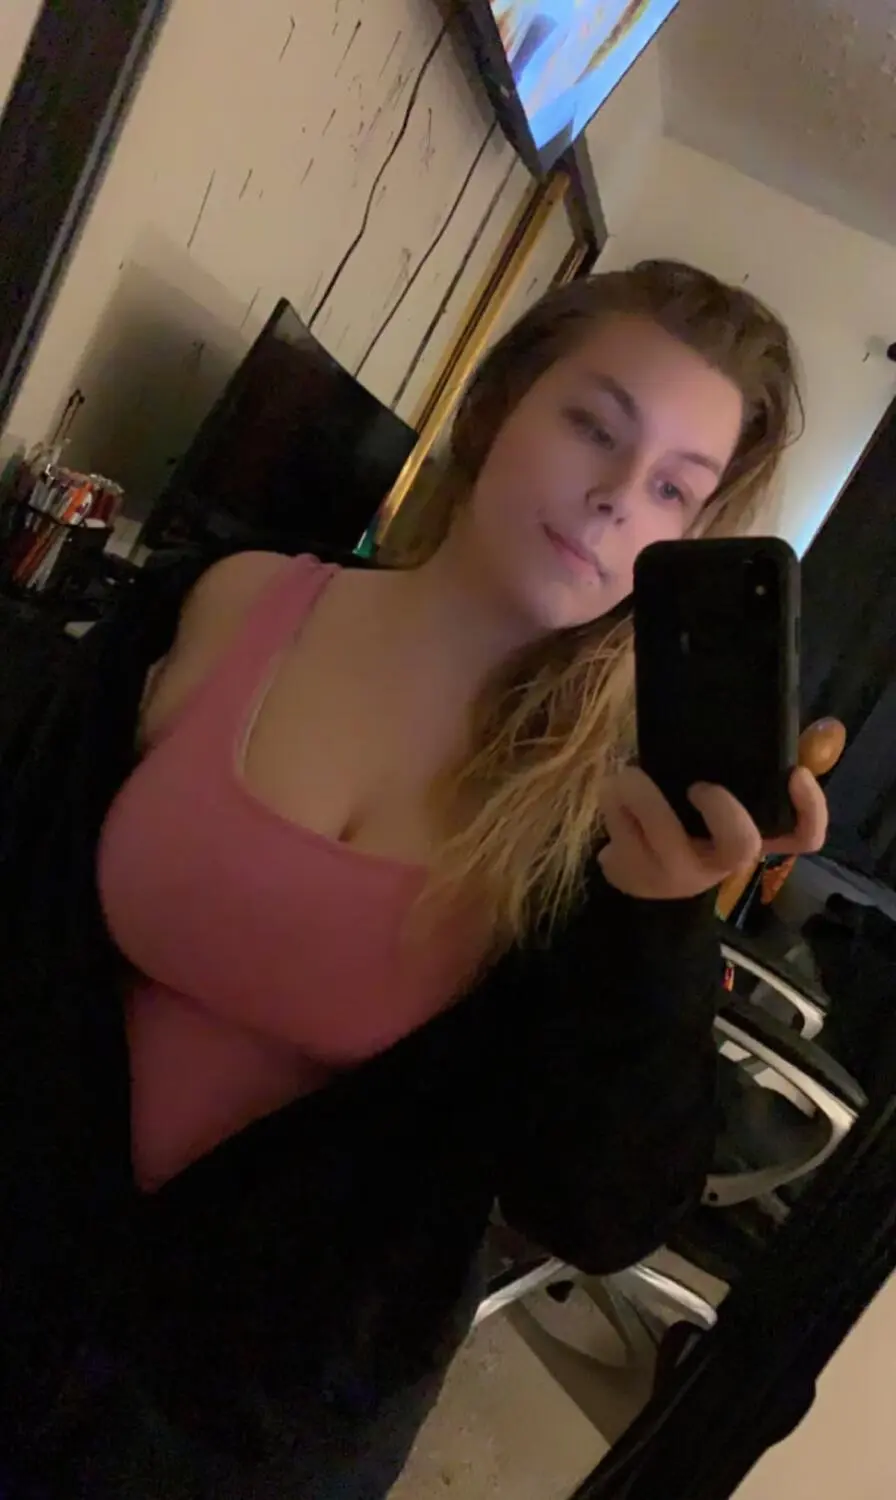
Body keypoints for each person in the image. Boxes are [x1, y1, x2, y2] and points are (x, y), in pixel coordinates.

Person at [0, 259, 826, 1497]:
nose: (614, 497)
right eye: (592, 426)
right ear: (493, 408)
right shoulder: (218, 605)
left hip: (243, 1433)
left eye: (672, 487)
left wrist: (659, 931)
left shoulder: (602, 825)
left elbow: (597, 1214)